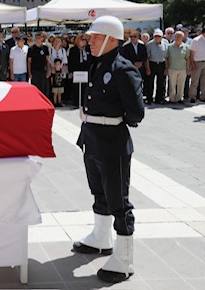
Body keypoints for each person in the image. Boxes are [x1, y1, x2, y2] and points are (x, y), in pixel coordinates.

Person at [72, 15, 144, 284]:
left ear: (113, 39)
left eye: (96, 37)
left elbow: (136, 112)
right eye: (90, 37)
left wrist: (114, 121)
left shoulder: (123, 69)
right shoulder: (97, 64)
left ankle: (124, 259)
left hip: (112, 142)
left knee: (119, 201)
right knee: (99, 191)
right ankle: (101, 238)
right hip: (92, 138)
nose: (89, 41)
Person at [165, 31, 191, 104]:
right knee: (172, 85)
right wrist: (166, 68)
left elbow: (187, 58)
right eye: (176, 36)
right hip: (172, 68)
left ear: (182, 37)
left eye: (179, 36)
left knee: (181, 84)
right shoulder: (169, 46)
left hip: (182, 69)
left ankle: (179, 98)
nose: (177, 38)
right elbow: (166, 58)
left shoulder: (186, 47)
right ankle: (172, 98)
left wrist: (188, 68)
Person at [145, 29, 169, 105]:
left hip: (161, 64)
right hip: (152, 64)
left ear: (162, 37)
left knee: (161, 82)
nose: (157, 37)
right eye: (156, 36)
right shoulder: (149, 44)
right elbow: (147, 58)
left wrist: (166, 68)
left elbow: (166, 57)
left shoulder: (166, 43)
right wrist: (148, 69)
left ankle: (159, 99)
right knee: (150, 82)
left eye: (159, 36)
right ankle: (149, 98)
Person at [68, 34, 91, 106]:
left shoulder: (87, 49)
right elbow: (70, 61)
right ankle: (76, 102)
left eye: (85, 40)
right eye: (82, 40)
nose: (84, 42)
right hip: (76, 70)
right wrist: (70, 71)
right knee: (76, 87)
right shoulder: (73, 50)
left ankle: (83, 101)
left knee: (85, 86)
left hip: (85, 70)